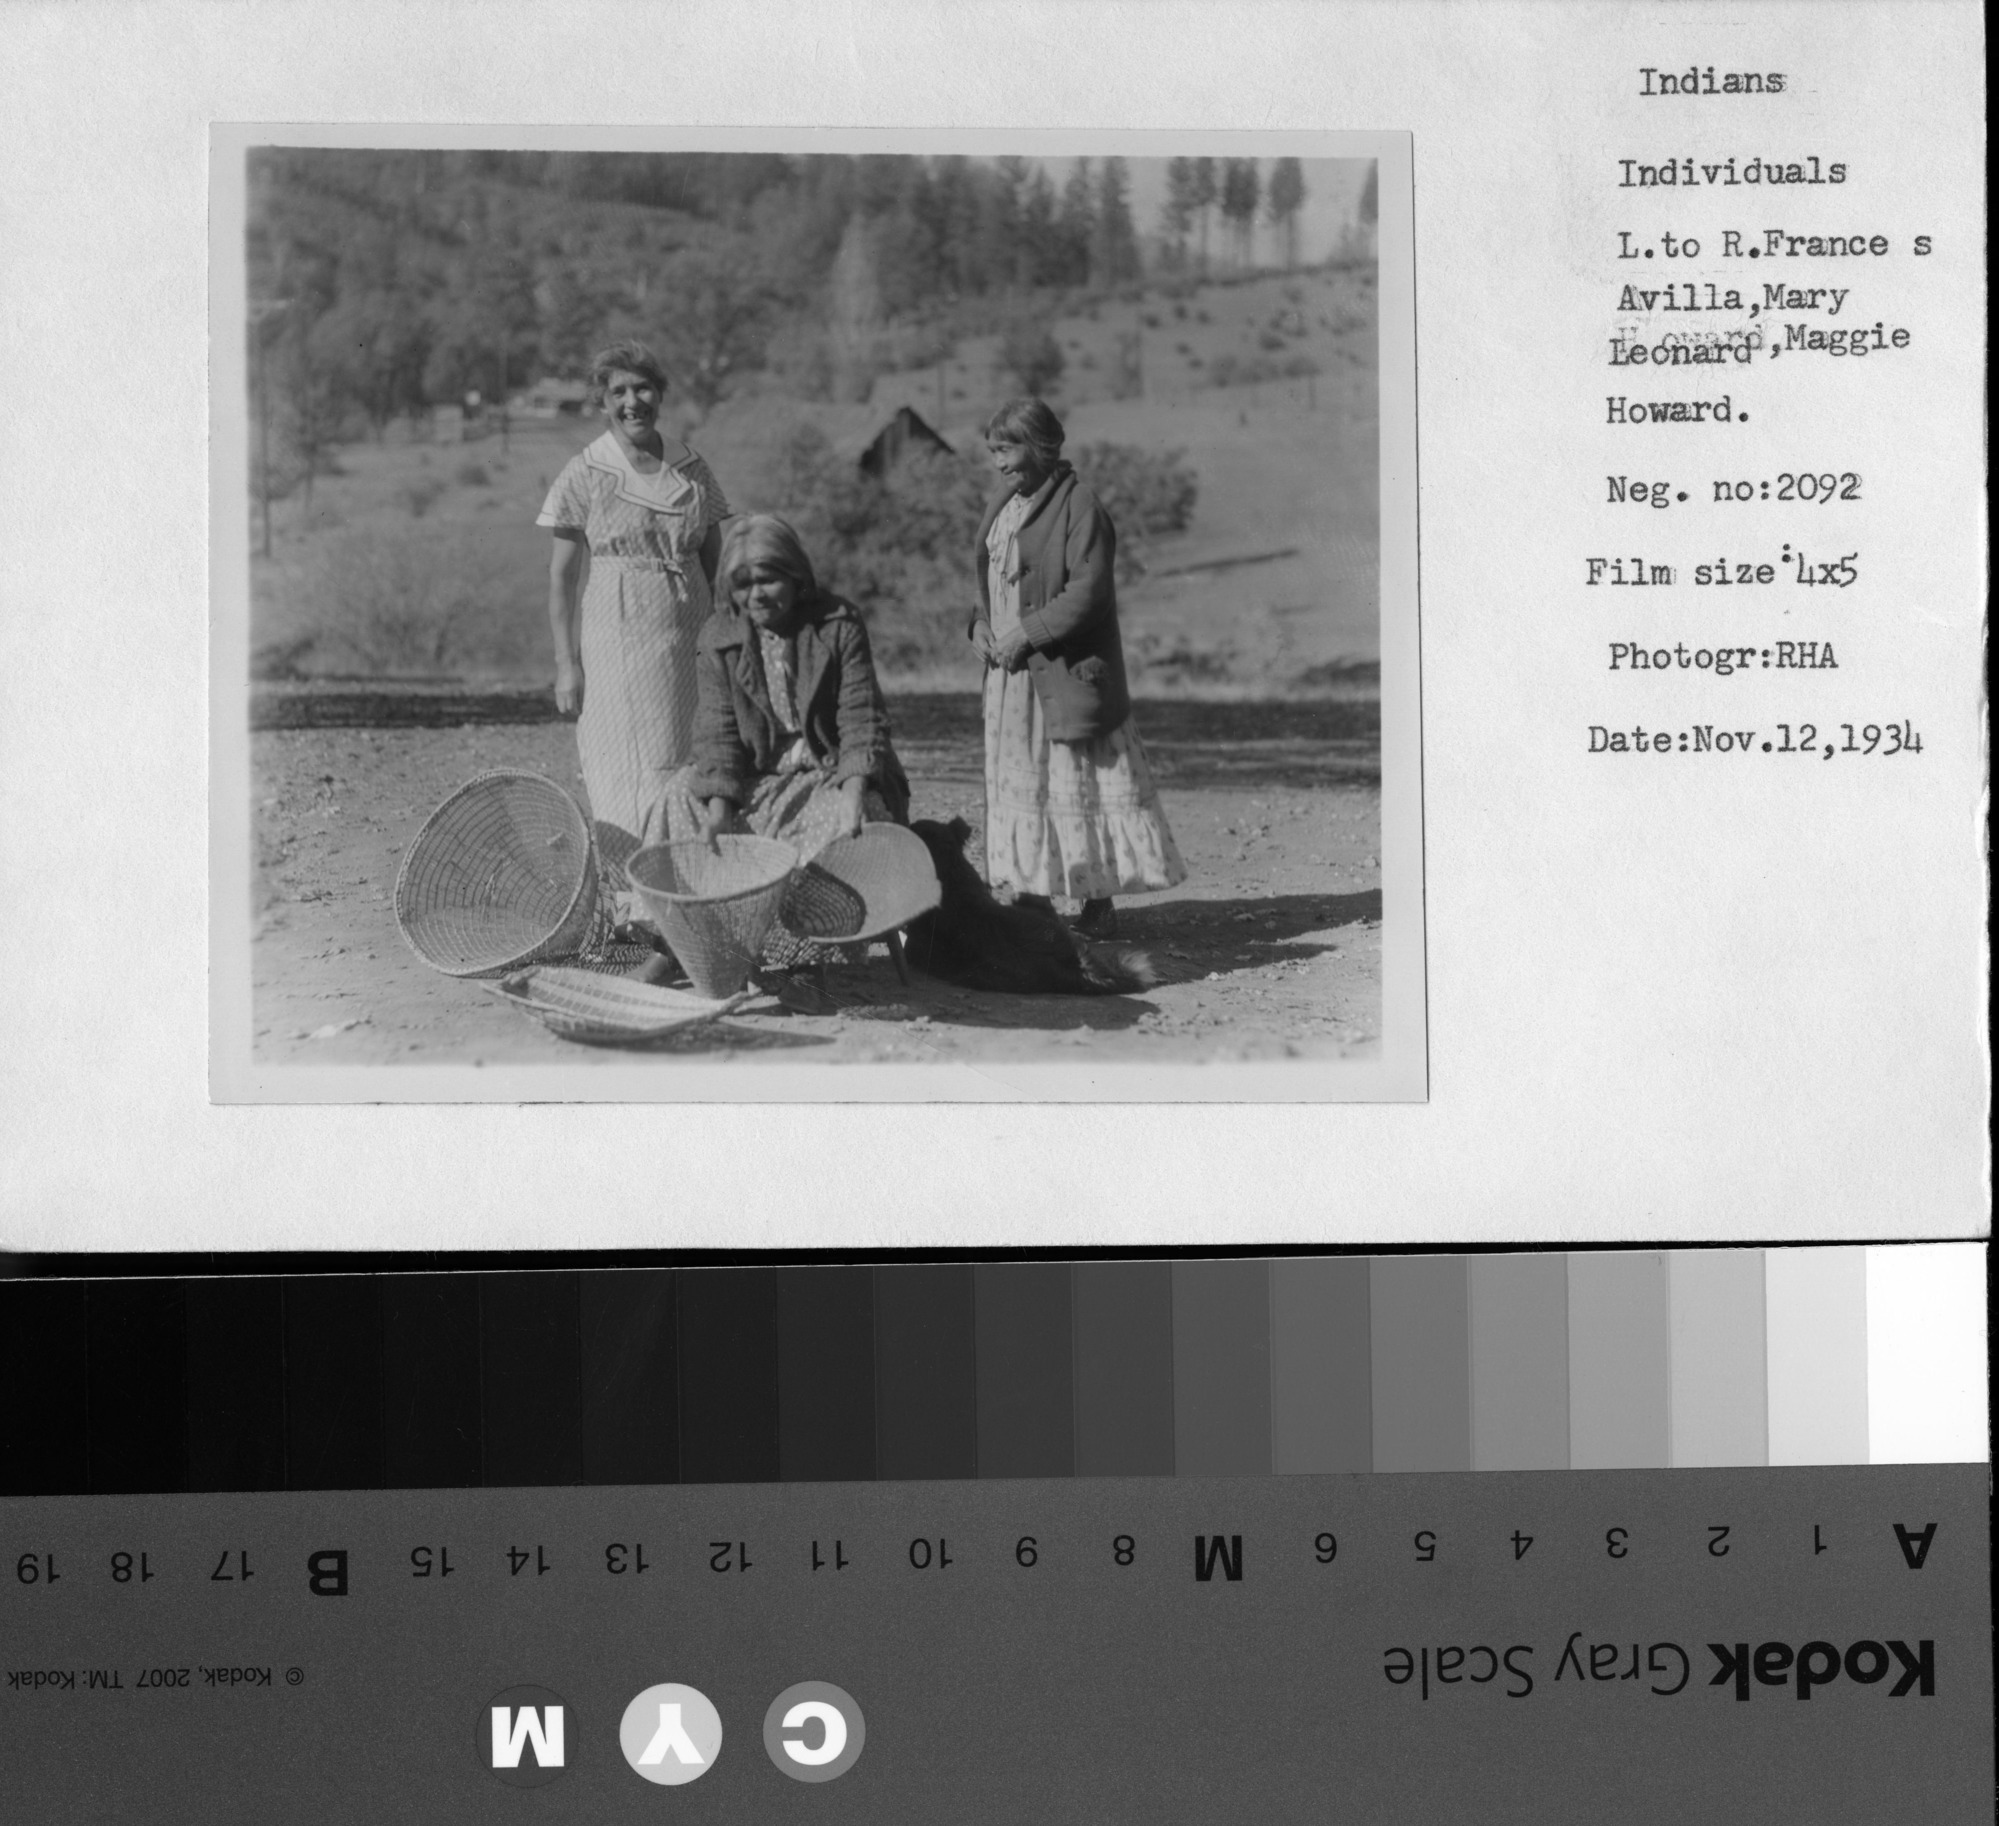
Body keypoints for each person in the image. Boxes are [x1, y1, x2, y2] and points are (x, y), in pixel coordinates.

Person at [970, 396, 1185, 939]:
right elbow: (996, 581)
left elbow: (1088, 592)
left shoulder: (1079, 506)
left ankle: (1098, 902)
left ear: (1041, 447)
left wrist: (1029, 633)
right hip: (1012, 679)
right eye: (994, 451)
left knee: (1078, 781)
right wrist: (979, 625)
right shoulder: (1005, 504)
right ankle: (1032, 895)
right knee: (1025, 783)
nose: (1000, 463)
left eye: (1009, 449)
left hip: (1062, 674)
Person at [537, 339, 732, 927]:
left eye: (642, 389)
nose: (632, 402)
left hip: (687, 634)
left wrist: (726, 639)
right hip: (615, 637)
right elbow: (562, 577)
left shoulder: (692, 467)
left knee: (683, 764)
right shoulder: (585, 472)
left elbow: (718, 561)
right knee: (620, 766)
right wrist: (566, 665)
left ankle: (688, 903)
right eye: (618, 392)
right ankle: (632, 915)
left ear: (660, 395)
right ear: (602, 402)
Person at [663, 514, 909, 861]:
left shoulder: (837, 625)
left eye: (768, 581)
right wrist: (719, 813)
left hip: (828, 767)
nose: (756, 596)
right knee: (677, 795)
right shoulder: (717, 637)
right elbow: (717, 731)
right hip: (752, 772)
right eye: (743, 585)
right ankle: (699, 906)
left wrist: (854, 790)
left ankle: (817, 913)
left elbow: (861, 718)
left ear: (796, 576)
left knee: (848, 817)